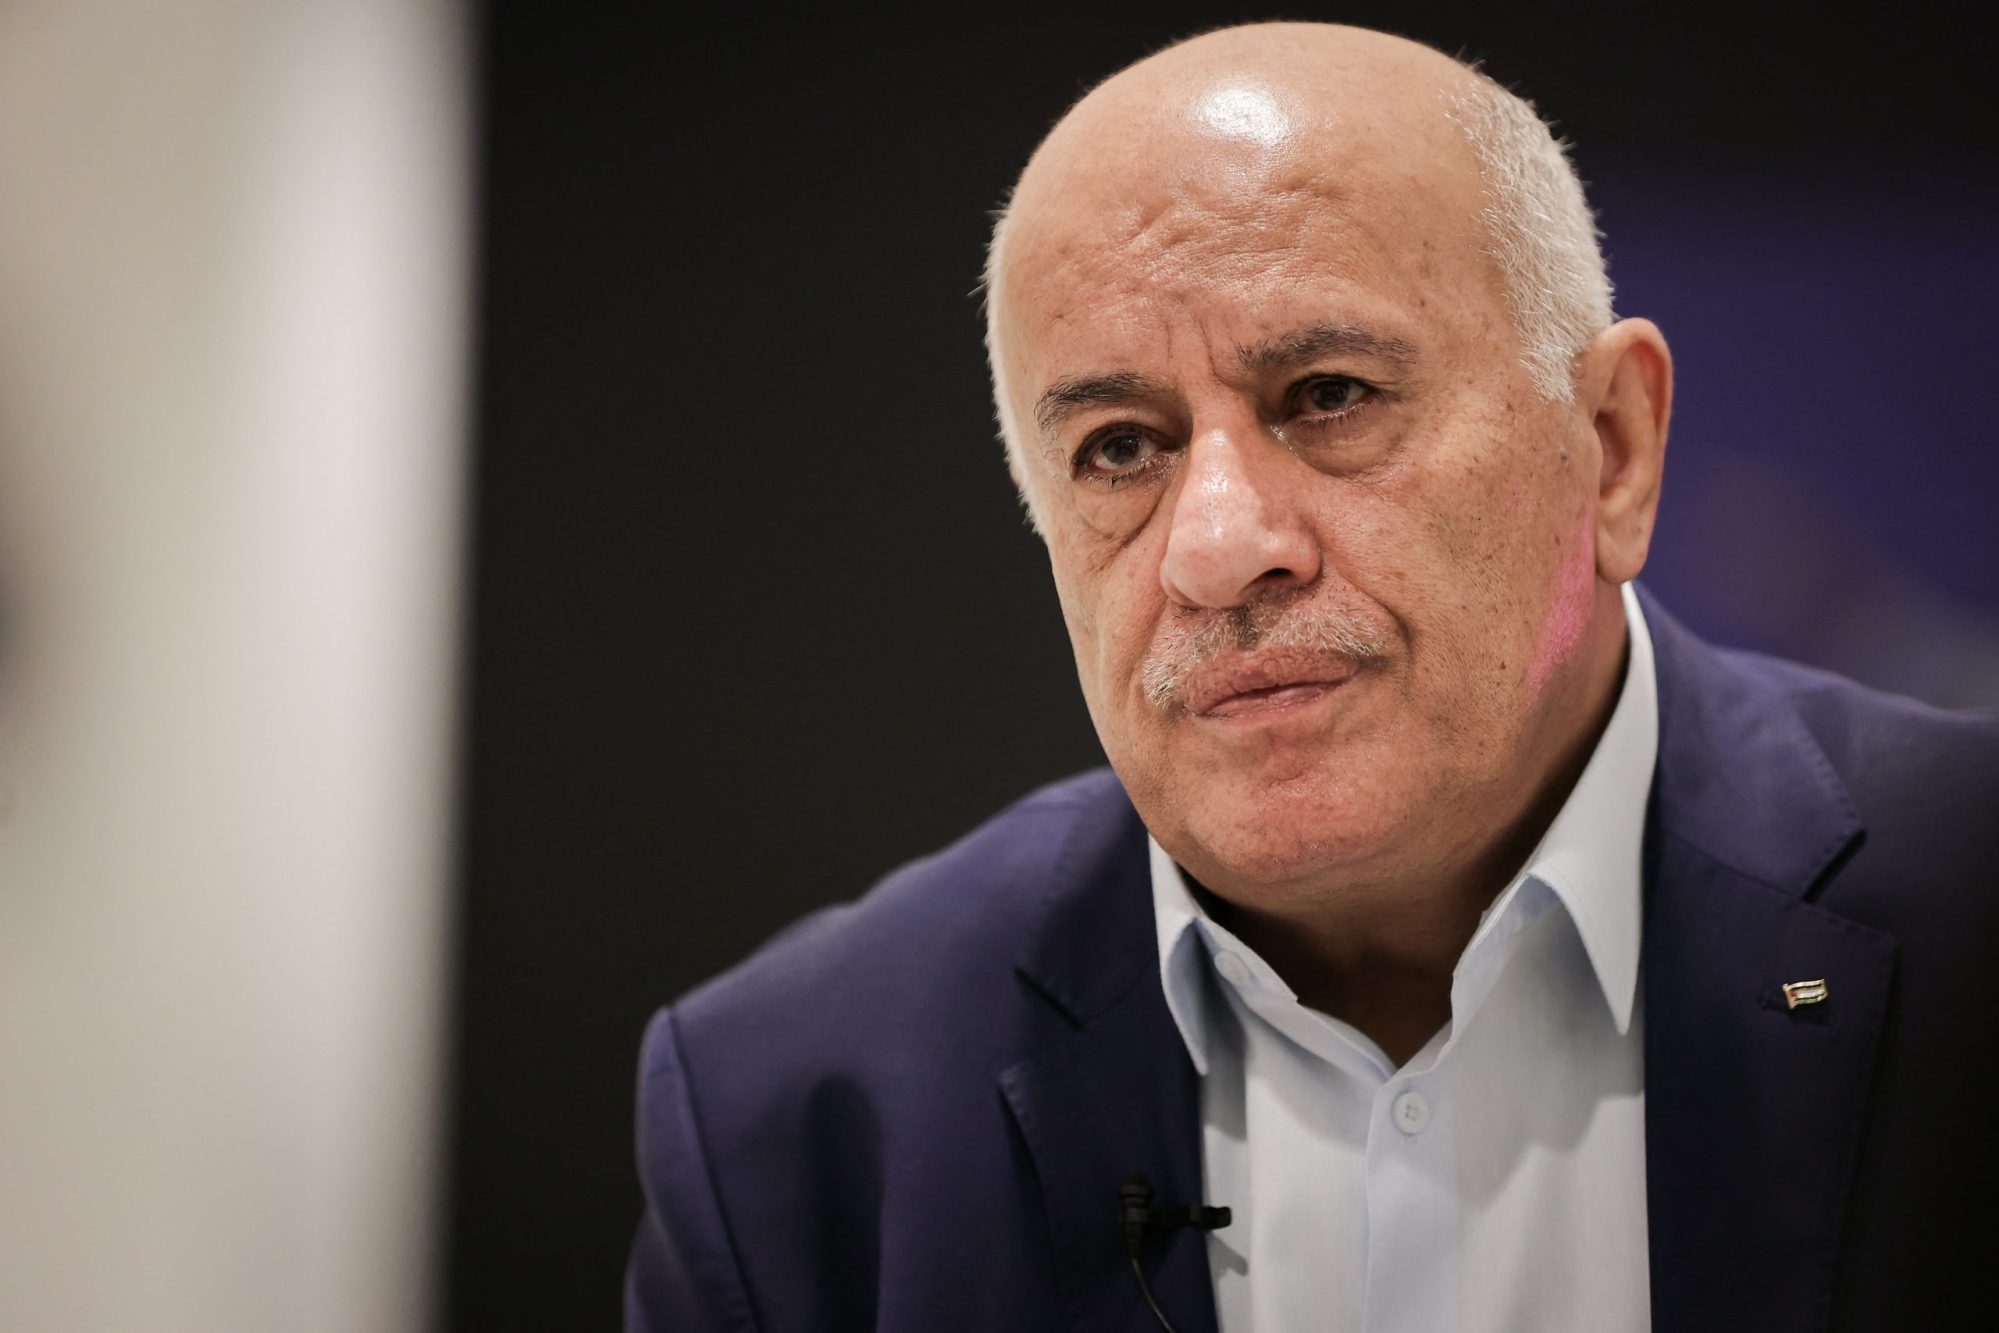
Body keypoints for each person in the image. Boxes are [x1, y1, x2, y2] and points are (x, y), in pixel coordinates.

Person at [625, 22, 1999, 1332]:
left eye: (1329, 395)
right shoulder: (797, 1115)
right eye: (1117, 447)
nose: (1219, 551)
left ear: (1613, 445)